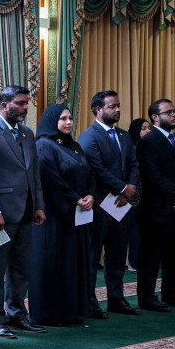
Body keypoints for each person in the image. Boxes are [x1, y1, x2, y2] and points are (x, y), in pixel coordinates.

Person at [0, 85, 47, 339]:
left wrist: (38, 205)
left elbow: (34, 173)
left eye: (26, 103)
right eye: (20, 103)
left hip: (25, 211)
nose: (25, 108)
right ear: (4, 105)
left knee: (21, 267)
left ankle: (17, 315)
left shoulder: (27, 133)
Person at [29, 105, 94, 326]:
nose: (68, 122)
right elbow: (49, 179)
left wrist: (90, 195)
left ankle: (69, 311)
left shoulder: (74, 145)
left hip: (75, 214)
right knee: (53, 263)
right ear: (51, 121)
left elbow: (89, 173)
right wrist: (75, 199)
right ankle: (49, 314)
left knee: (71, 263)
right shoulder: (43, 145)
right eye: (63, 118)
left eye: (70, 118)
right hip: (53, 215)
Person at [77, 91, 140, 318]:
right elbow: (97, 168)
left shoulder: (124, 135)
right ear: (98, 110)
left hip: (122, 206)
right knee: (92, 257)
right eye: (112, 106)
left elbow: (134, 165)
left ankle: (117, 299)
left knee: (117, 255)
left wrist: (129, 189)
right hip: (99, 205)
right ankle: (89, 303)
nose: (117, 110)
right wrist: (123, 188)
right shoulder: (89, 136)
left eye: (118, 105)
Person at [135, 99, 175, 312]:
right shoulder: (148, 142)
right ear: (155, 117)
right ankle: (147, 297)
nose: (174, 115)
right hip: (156, 210)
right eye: (169, 112)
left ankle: (173, 293)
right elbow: (153, 176)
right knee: (151, 256)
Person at [126, 118, 151, 271]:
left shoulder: (149, 147)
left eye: (149, 128)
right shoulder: (130, 149)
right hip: (132, 197)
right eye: (143, 128)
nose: (147, 131)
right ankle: (133, 262)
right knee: (133, 231)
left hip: (147, 196)